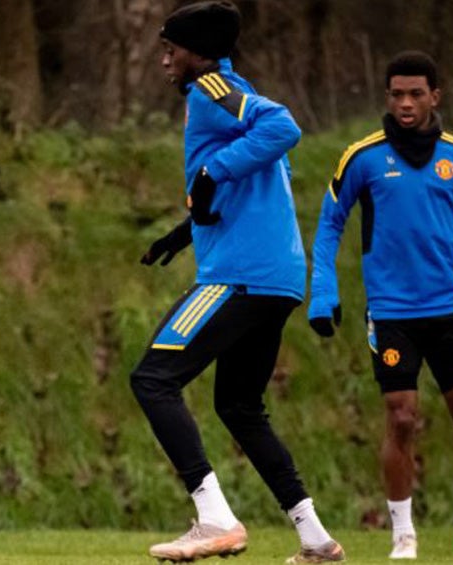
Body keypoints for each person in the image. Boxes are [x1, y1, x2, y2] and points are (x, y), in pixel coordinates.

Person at [132, 2, 343, 563]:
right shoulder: (232, 95)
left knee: (153, 378)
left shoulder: (213, 87)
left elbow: (285, 128)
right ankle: (315, 538)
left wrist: (209, 174)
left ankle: (214, 518)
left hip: (239, 277)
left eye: (171, 49)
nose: (165, 60)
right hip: (275, 279)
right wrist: (183, 233)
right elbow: (254, 176)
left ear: (198, 52)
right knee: (240, 408)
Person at [309, 51, 453, 560]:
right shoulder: (362, 157)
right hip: (391, 311)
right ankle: (404, 534)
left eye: (416, 94)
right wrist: (323, 289)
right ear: (388, 96)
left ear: (435, 97)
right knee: (401, 418)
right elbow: (329, 224)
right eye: (397, 94)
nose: (405, 103)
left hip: (446, 308)